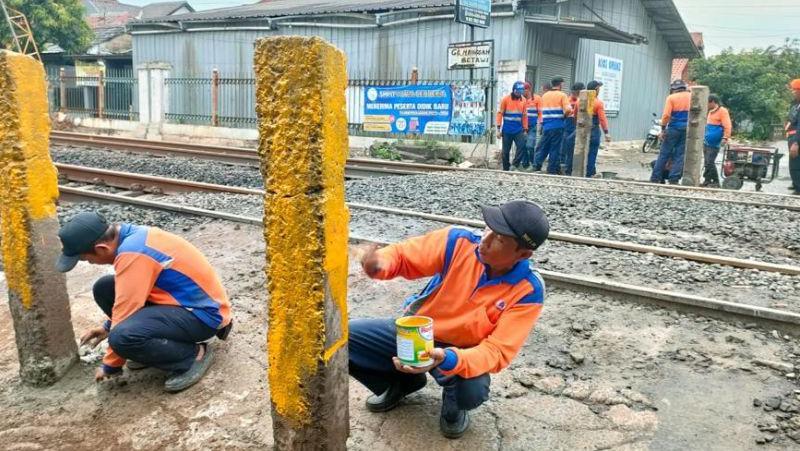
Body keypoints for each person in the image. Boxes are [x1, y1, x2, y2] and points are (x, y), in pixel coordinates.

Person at [349, 200, 549, 439]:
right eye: (489, 229)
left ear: (523, 254)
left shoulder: (528, 290)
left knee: (472, 390)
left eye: (500, 240)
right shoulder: (458, 242)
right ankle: (400, 384)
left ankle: (454, 407)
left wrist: (450, 358)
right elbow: (403, 256)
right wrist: (380, 263)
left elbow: (497, 352)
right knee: (344, 338)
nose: (484, 241)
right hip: (420, 330)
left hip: (462, 350)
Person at [57, 212, 233, 392]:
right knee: (105, 287)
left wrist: (111, 365)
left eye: (86, 259)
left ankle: (193, 356)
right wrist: (107, 328)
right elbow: (131, 296)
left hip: (205, 316)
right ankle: (150, 350)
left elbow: (126, 310)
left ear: (102, 248)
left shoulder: (134, 253)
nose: (90, 263)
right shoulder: (131, 236)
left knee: (122, 338)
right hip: (182, 304)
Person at [651, 80, 691, 184]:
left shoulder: (671, 98)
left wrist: (663, 129)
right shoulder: (692, 97)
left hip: (673, 128)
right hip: (687, 128)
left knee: (664, 153)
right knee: (680, 155)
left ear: (674, 89)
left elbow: (666, 116)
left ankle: (655, 178)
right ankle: (674, 179)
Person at [533, 77, 573, 174]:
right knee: (555, 148)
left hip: (546, 126)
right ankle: (551, 169)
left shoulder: (545, 95)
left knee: (544, 146)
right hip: (558, 125)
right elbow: (568, 110)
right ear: (560, 84)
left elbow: (541, 111)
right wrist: (564, 116)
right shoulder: (562, 95)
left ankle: (536, 165)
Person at [496, 81, 529, 171]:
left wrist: (525, 129)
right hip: (507, 130)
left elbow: (525, 116)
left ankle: (514, 165)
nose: (519, 93)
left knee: (522, 146)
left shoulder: (524, 101)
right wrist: (498, 129)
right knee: (505, 152)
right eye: (518, 91)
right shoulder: (505, 100)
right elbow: (500, 114)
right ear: (514, 90)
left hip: (518, 129)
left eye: (521, 91)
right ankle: (506, 169)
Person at [702, 94, 732, 188]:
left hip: (714, 142)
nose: (706, 105)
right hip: (707, 141)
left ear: (713, 102)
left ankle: (716, 181)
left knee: (710, 161)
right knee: (706, 162)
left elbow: (727, 126)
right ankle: (707, 180)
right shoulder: (710, 112)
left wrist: (725, 138)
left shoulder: (722, 111)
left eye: (708, 103)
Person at [586, 80, 612, 178]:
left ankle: (578, 170)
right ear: (596, 90)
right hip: (593, 130)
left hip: (581, 130)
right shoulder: (598, 103)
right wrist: (606, 132)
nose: (599, 90)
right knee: (592, 151)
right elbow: (602, 119)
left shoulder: (580, 101)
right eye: (599, 88)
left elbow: (575, 114)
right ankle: (590, 173)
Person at [561, 82, 585, 175]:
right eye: (573, 92)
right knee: (566, 146)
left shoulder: (583, 100)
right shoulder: (568, 100)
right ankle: (565, 167)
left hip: (578, 124)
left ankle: (574, 167)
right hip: (569, 124)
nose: (574, 94)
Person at [519, 82, 542, 171]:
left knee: (530, 146)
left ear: (528, 90)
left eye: (523, 90)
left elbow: (540, 113)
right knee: (522, 146)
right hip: (522, 127)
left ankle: (533, 163)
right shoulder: (520, 99)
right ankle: (525, 164)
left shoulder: (537, 99)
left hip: (532, 126)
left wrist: (541, 124)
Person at [788, 79, 800, 195]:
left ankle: (798, 190)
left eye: (794, 90)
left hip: (796, 139)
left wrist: (796, 143)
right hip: (793, 137)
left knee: (795, 164)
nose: (793, 92)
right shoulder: (796, 104)